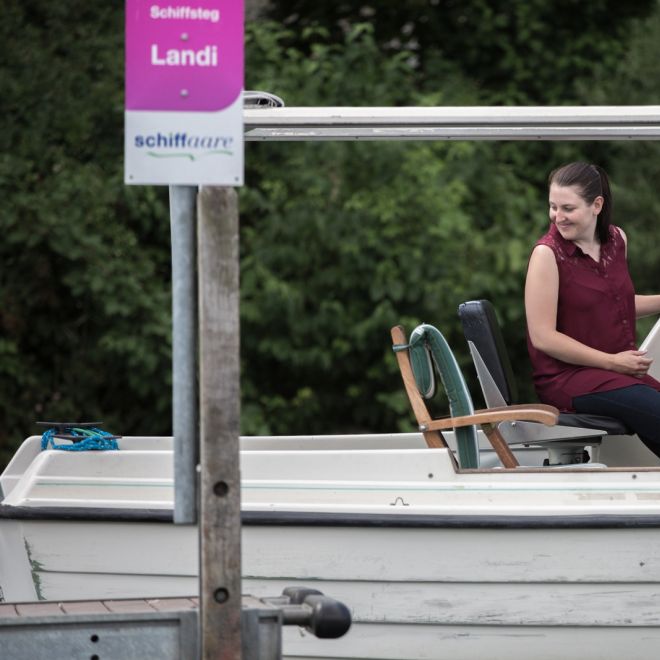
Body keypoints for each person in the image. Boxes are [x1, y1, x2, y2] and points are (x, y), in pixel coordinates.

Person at [525, 161, 660, 458]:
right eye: (553, 207)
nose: (557, 217)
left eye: (568, 208)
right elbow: (543, 337)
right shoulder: (546, 255)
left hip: (616, 372)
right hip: (567, 379)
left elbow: (616, 304)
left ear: (596, 205)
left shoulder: (617, 240)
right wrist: (612, 362)